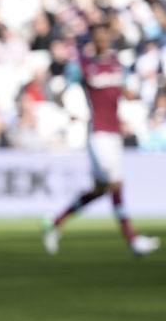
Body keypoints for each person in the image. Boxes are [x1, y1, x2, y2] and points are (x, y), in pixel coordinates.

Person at [42, 21, 159, 256]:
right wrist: (69, 109)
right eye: (98, 37)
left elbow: (125, 91)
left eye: (106, 36)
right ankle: (132, 240)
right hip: (97, 134)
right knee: (116, 183)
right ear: (93, 41)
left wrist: (133, 96)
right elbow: (61, 92)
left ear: (110, 38)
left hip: (115, 134)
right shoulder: (84, 67)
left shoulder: (118, 66)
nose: (103, 40)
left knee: (99, 190)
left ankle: (54, 224)